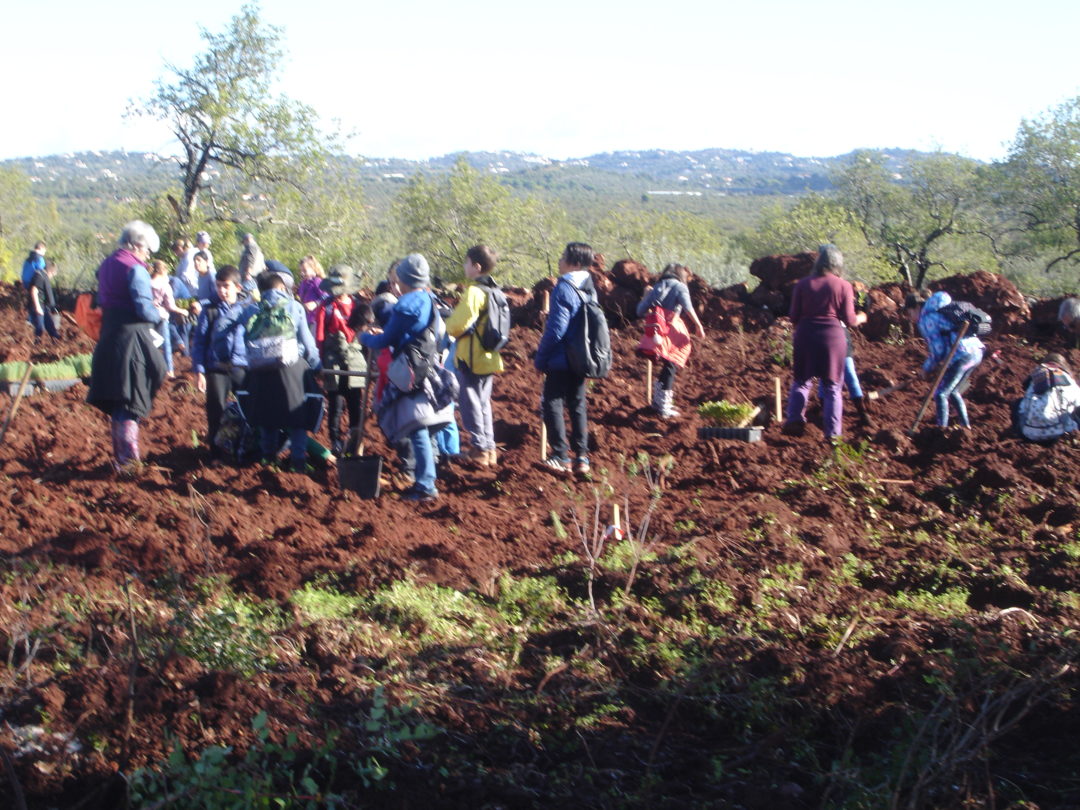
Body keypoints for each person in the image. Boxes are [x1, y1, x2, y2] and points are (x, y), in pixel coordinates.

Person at [360, 254, 457, 503]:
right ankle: (427, 479)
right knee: (422, 426)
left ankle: (425, 485)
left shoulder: (407, 304)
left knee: (417, 427)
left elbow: (386, 340)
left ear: (404, 279)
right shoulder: (427, 299)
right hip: (426, 365)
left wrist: (365, 338)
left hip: (411, 370)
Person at [86, 221, 167, 474]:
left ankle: (121, 460)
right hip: (132, 338)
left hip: (110, 335)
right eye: (145, 251)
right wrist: (160, 314)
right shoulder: (136, 269)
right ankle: (129, 461)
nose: (147, 257)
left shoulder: (106, 265)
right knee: (131, 398)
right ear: (135, 245)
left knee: (119, 399)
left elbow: (101, 299)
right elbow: (143, 308)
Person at [241, 270, 322, 472]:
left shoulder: (251, 310)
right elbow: (307, 343)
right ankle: (298, 462)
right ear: (281, 287)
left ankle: (269, 459)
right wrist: (315, 366)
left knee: (267, 415)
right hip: (292, 368)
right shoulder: (294, 307)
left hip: (261, 370)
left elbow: (246, 342)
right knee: (297, 418)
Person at [782, 244, 863, 441]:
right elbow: (850, 320)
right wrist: (862, 317)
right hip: (832, 339)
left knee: (801, 381)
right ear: (838, 264)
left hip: (805, 335)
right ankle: (833, 434)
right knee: (832, 386)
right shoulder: (844, 286)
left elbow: (793, 317)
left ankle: (794, 419)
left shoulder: (803, 284)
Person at [535, 241, 598, 475]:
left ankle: (560, 455)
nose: (560, 260)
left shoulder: (564, 287)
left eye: (564, 257)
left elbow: (557, 330)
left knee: (551, 402)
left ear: (575, 263)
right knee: (578, 405)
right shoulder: (590, 289)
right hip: (582, 358)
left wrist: (540, 359)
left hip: (561, 359)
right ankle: (582, 457)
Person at [446, 244, 505, 467]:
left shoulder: (474, 292)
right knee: (483, 403)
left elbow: (458, 324)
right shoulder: (496, 292)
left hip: (471, 357)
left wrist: (447, 326)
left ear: (476, 266)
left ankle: (479, 448)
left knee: (469, 403)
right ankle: (488, 449)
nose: (464, 266)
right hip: (490, 356)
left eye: (466, 262)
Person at [190, 265, 250, 462]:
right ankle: (216, 455)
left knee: (247, 410)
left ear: (238, 287)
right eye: (218, 286)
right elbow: (199, 342)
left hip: (242, 367)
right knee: (215, 411)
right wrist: (199, 370)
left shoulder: (248, 310)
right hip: (217, 368)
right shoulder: (210, 311)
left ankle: (244, 451)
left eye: (226, 286)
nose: (222, 290)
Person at [635, 262, 705, 419]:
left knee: (669, 365)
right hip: (671, 329)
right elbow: (688, 307)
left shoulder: (658, 286)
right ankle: (664, 407)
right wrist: (698, 325)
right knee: (674, 361)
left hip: (656, 329)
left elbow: (639, 311)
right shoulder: (680, 286)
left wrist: (647, 296)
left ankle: (659, 402)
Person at [315, 265, 370, 457]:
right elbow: (320, 336)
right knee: (336, 404)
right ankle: (336, 441)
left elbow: (366, 332)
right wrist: (321, 362)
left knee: (355, 403)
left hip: (354, 360)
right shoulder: (326, 307)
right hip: (333, 361)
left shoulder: (357, 306)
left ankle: (355, 442)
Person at [915, 290, 985, 429]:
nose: (909, 317)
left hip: (962, 355)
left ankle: (941, 430)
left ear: (917, 307)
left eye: (908, 313)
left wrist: (926, 369)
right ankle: (965, 428)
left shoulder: (927, 320)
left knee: (941, 394)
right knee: (953, 392)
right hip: (976, 352)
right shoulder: (946, 313)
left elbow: (938, 350)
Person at [1015, 353, 1080, 441]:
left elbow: (1022, 408)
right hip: (1061, 433)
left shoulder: (1036, 379)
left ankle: (1017, 432)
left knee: (1018, 403)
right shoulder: (1068, 381)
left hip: (1028, 434)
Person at [149, 260, 188, 377]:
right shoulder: (165, 286)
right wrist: (183, 311)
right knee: (166, 344)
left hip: (147, 315)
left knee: (149, 341)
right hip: (162, 317)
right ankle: (169, 371)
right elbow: (170, 306)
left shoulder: (146, 283)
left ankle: (149, 366)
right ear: (164, 271)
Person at [27, 259, 61, 343]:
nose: (52, 277)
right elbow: (34, 290)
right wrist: (37, 307)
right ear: (50, 272)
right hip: (37, 304)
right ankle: (36, 341)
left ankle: (55, 339)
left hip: (43, 305)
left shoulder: (44, 276)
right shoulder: (39, 276)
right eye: (53, 275)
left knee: (49, 324)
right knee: (40, 326)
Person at [298, 255, 327, 328]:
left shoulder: (317, 281)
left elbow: (326, 296)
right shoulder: (303, 283)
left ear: (314, 269)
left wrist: (316, 303)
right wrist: (296, 291)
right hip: (306, 318)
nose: (302, 273)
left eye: (304, 270)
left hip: (315, 318)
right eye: (301, 271)